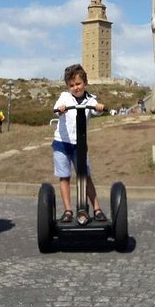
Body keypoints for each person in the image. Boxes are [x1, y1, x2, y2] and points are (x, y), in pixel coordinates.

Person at [52, 64, 107, 222]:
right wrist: (61, 109)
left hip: (80, 145)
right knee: (65, 177)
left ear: (85, 83)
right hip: (61, 144)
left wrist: (100, 107)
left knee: (85, 176)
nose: (75, 88)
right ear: (68, 87)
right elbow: (56, 108)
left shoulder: (91, 99)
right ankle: (68, 210)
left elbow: (97, 109)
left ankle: (96, 209)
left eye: (78, 84)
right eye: (72, 85)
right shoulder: (64, 97)